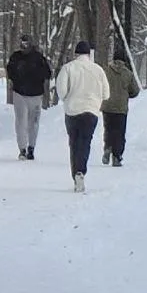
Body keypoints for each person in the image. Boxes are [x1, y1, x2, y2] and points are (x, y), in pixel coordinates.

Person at [54, 40, 110, 193]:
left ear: (76, 53)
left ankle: (75, 174)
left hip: (72, 111)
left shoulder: (68, 68)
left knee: (74, 142)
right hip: (91, 111)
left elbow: (61, 91)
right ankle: (81, 172)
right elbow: (106, 93)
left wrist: (68, 98)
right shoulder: (98, 70)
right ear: (88, 54)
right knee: (85, 142)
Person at [4, 35, 53, 160]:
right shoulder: (15, 57)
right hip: (20, 93)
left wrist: (38, 77)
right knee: (21, 122)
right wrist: (15, 80)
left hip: (36, 95)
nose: (24, 45)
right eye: (22, 42)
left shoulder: (39, 58)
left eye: (26, 43)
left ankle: (31, 147)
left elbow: (48, 73)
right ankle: (22, 149)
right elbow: (9, 71)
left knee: (34, 123)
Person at [101, 47, 141, 167]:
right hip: (121, 108)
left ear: (113, 59)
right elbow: (135, 91)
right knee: (120, 133)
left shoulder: (106, 71)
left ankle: (108, 147)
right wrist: (127, 95)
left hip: (107, 106)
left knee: (108, 129)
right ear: (124, 61)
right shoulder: (128, 74)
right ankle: (117, 156)